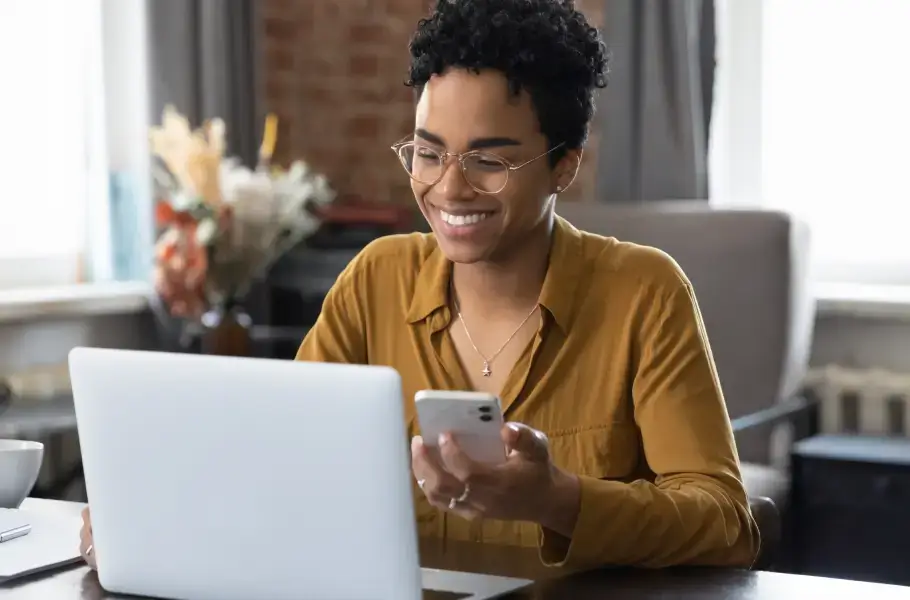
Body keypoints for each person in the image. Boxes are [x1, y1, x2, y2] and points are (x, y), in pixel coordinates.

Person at [81, 0, 760, 570]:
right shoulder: (376, 279)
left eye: (489, 160)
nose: (449, 187)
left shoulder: (643, 293)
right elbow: (282, 462)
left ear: (564, 166)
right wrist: (151, 506)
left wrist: (557, 498)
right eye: (427, 152)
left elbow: (730, 524)